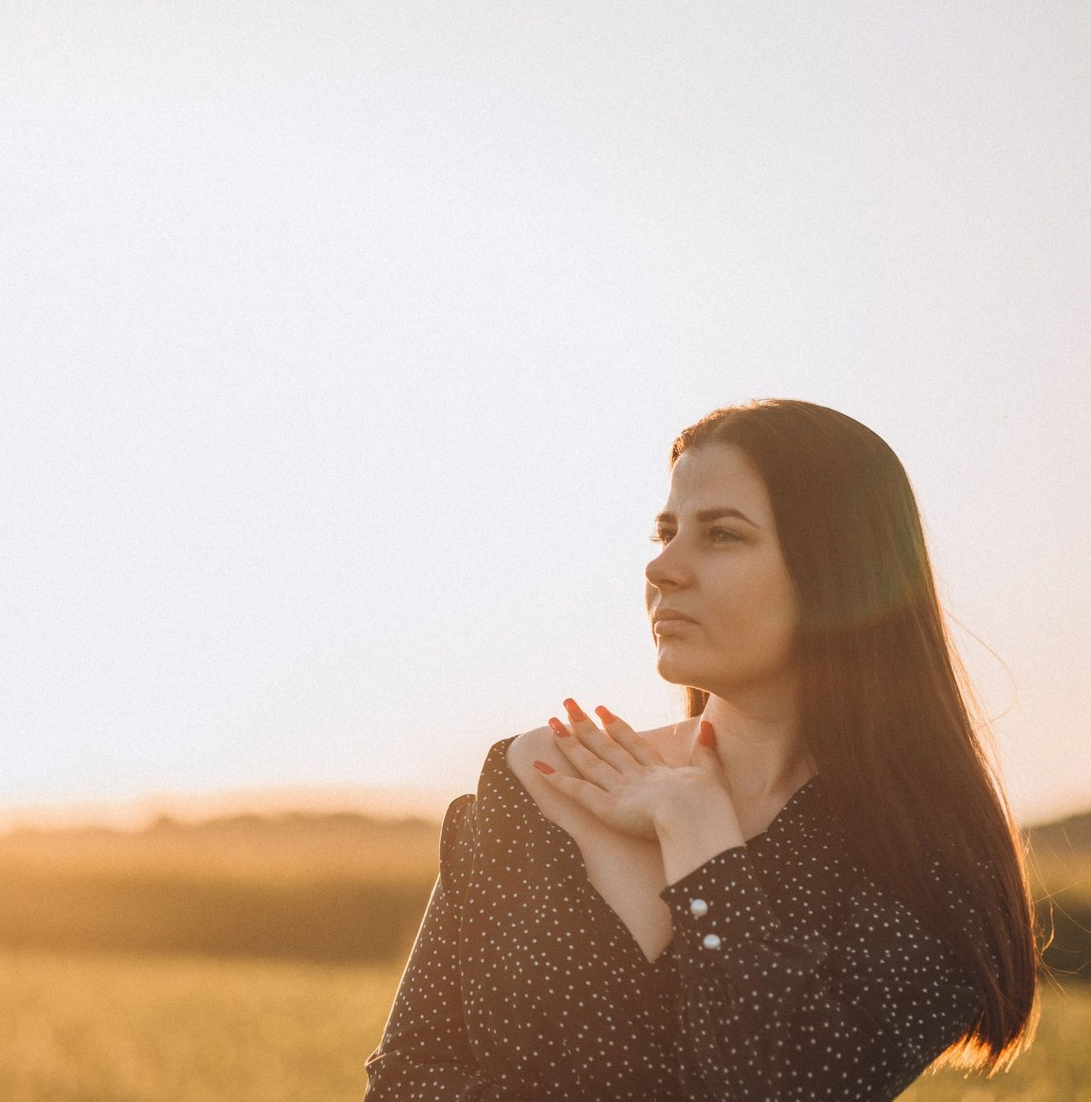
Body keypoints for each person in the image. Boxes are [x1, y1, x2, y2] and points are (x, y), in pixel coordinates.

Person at [363, 399, 1039, 1101]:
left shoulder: (930, 858)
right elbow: (404, 1079)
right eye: (665, 531)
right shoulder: (535, 783)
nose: (662, 569)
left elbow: (782, 1090)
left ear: (841, 570)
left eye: (721, 536)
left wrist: (698, 833)